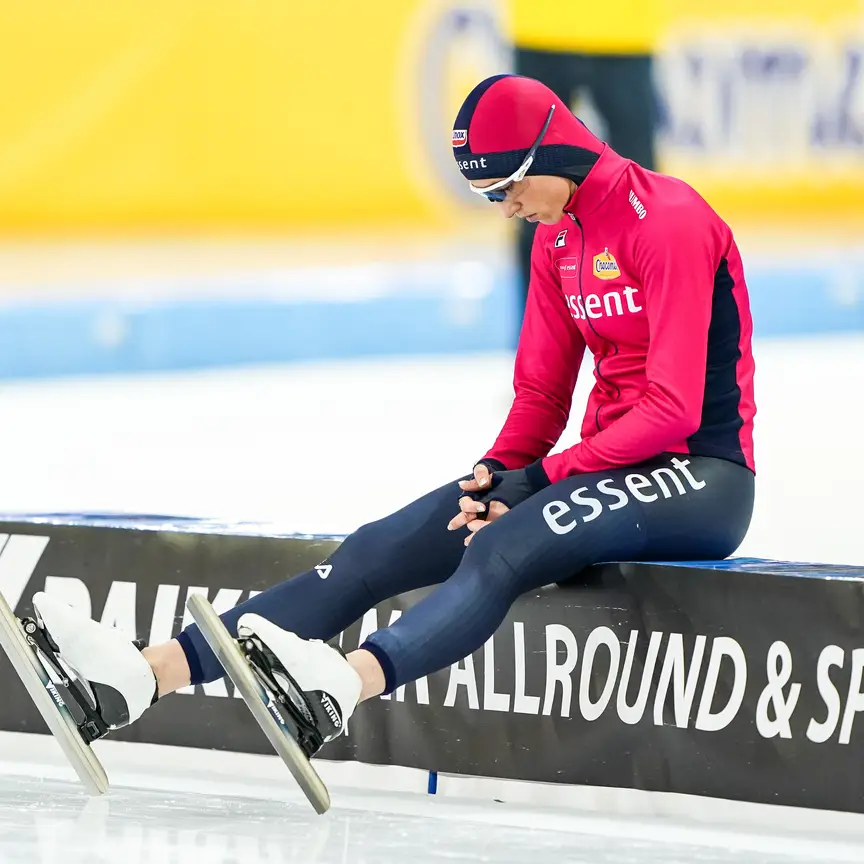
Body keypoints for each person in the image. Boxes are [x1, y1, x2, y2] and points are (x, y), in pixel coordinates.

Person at [30, 74, 756, 756]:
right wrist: (496, 473)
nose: (504, 207)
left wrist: (537, 481)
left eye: (507, 186)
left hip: (701, 475)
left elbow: (670, 409)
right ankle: (142, 677)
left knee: (500, 551)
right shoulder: (556, 237)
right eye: (487, 195)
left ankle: (340, 688)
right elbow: (540, 395)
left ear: (553, 153)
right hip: (598, 469)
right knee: (379, 548)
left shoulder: (667, 220)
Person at [509, 0, 662, 319]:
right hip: (560, 28)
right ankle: (541, 327)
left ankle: (652, 312)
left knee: (641, 193)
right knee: (529, 180)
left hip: (608, 30)